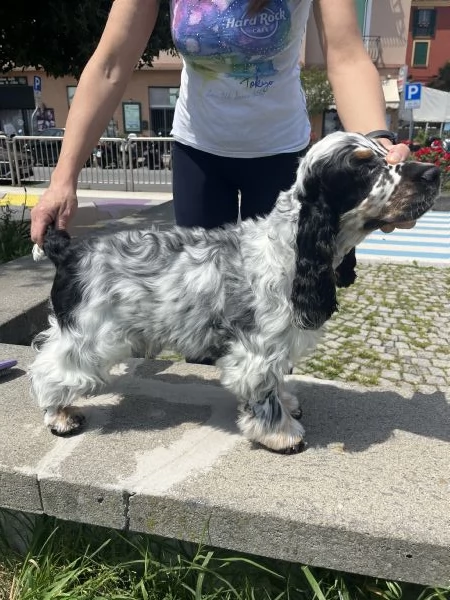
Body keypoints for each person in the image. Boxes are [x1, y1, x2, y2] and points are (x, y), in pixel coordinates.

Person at [31, 0, 414, 247]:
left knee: (275, 311)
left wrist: (381, 147)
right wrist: (62, 179)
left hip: (281, 159)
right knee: (199, 306)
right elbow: (111, 64)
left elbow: (345, 57)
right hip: (199, 153)